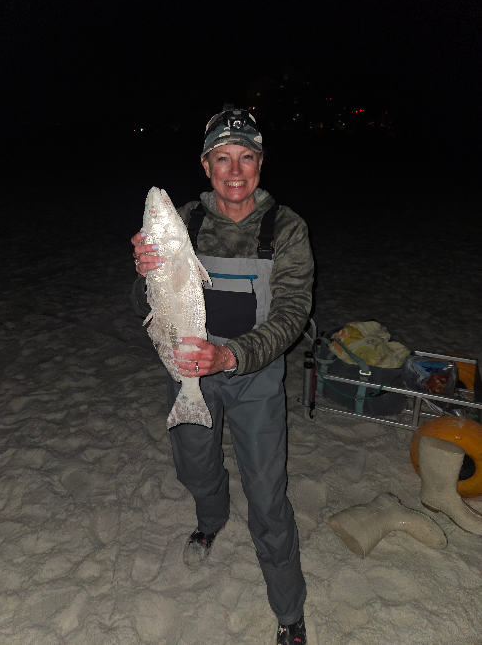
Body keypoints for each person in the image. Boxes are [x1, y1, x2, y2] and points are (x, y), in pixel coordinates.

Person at [131, 108, 314, 644]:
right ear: (206, 164)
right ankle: (210, 521)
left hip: (255, 375)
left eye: (247, 157)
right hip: (190, 371)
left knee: (267, 494)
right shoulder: (183, 220)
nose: (235, 171)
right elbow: (145, 310)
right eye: (223, 158)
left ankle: (289, 613)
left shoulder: (286, 228)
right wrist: (141, 271)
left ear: (260, 163)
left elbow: (292, 316)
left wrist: (231, 356)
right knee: (194, 465)